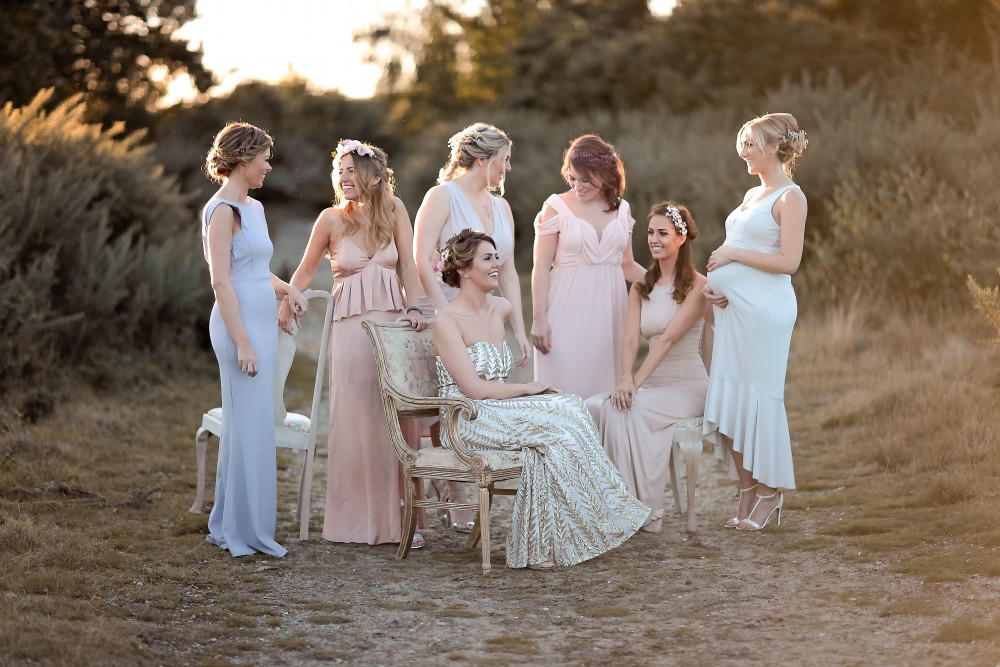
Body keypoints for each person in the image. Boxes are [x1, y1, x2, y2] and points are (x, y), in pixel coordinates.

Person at [433, 228, 657, 569]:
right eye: (487, 259)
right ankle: (611, 513)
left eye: (496, 257)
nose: (497, 264)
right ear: (464, 269)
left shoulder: (501, 307)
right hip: (465, 418)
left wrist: (529, 392)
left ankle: (560, 535)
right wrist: (528, 387)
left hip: (498, 410)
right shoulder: (447, 321)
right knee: (553, 430)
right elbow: (475, 389)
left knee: (570, 406)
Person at [278, 139, 428, 548]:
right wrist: (289, 301)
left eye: (351, 171)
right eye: (339, 172)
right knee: (357, 417)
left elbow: (410, 267)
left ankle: (402, 519)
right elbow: (306, 270)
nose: (343, 179)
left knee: (394, 418)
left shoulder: (395, 209)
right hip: (349, 331)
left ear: (376, 177)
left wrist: (415, 307)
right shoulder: (329, 219)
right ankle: (356, 519)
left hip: (394, 326)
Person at [413, 122, 529, 533]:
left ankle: (464, 480)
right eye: (504, 160)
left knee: (480, 394)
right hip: (443, 311)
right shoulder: (441, 196)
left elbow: (509, 271)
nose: (508, 169)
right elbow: (420, 256)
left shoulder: (502, 208)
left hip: (484, 315)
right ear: (483, 160)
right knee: (445, 400)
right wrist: (446, 313)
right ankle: (454, 490)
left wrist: (518, 327)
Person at [201, 121, 308, 557]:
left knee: (254, 427)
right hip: (237, 326)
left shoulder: (256, 208)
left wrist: (289, 289)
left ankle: (237, 524)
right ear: (243, 158)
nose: (268, 165)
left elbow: (254, 270)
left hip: (261, 322)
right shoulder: (222, 210)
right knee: (249, 428)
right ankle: (244, 532)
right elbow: (222, 283)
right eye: (263, 157)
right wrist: (242, 343)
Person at [702, 113, 809, 531]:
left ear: (772, 147)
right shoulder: (752, 193)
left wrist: (730, 257)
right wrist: (717, 289)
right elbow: (740, 244)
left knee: (759, 397)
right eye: (742, 143)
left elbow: (789, 262)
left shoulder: (791, 198)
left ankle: (769, 492)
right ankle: (747, 488)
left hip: (766, 311)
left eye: (750, 143)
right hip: (734, 308)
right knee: (733, 397)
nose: (742, 150)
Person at [586, 202, 710, 533]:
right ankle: (615, 503)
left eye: (662, 233)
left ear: (681, 239)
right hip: (652, 384)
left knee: (626, 409)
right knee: (594, 406)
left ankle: (642, 510)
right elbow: (630, 340)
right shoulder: (642, 286)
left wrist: (634, 385)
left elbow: (668, 340)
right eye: (650, 233)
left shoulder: (698, 286)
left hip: (689, 386)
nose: (654, 239)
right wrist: (625, 379)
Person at [531, 135, 646, 399]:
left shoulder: (622, 209)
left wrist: (670, 285)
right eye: (572, 178)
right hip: (565, 311)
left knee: (605, 394)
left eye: (585, 179)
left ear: (605, 174)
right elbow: (539, 266)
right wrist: (539, 318)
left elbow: (626, 265)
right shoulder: (555, 207)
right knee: (566, 393)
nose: (577, 186)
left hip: (610, 313)